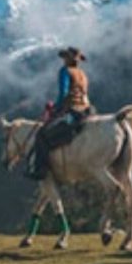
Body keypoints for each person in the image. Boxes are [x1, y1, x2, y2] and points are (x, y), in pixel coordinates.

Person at [24, 46, 92, 181]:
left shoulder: (65, 72)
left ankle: (40, 170)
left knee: (42, 135)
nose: (63, 60)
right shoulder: (82, 74)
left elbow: (64, 94)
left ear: (67, 59)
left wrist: (54, 108)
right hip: (87, 110)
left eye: (65, 58)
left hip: (72, 111)